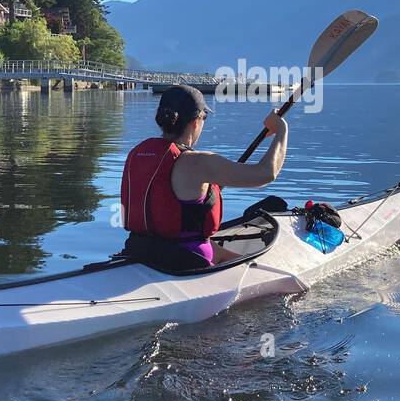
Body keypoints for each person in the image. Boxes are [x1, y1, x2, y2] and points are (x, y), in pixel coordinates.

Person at [120, 84, 288, 271]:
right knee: (260, 267)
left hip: (138, 251)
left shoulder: (138, 153)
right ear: (195, 121)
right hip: (184, 261)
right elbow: (266, 173)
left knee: (230, 255)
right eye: (204, 117)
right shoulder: (199, 162)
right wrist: (280, 130)